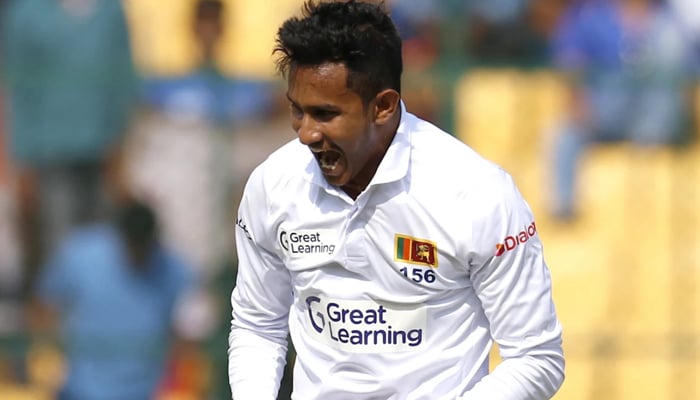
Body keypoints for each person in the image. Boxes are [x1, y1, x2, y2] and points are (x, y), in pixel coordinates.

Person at [228, 1, 564, 399]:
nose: (306, 134)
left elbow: (536, 357)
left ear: (383, 107)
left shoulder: (477, 194)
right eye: (297, 111)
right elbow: (257, 326)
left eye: (325, 114)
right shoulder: (273, 185)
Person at [547, 0, 697, 220]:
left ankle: (645, 207)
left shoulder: (670, 20)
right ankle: (564, 212)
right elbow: (570, 59)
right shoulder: (592, 15)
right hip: (605, 106)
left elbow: (688, 75)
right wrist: (576, 99)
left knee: (655, 134)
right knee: (565, 135)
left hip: (653, 113)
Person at [30, 199, 194, 400]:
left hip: (143, 393)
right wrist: (48, 358)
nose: (138, 252)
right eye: (133, 244)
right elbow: (43, 305)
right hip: (78, 391)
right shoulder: (82, 253)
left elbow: (190, 331)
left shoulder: (174, 269)